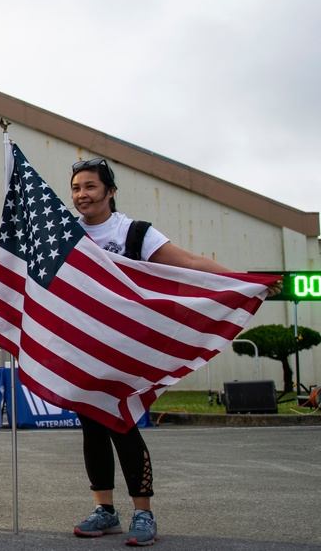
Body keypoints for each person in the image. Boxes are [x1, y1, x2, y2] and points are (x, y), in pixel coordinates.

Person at [67, 157, 282, 546]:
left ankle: (144, 514)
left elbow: (188, 264)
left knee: (124, 424)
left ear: (110, 191)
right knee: (92, 428)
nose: (82, 195)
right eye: (77, 188)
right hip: (85, 350)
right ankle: (105, 511)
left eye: (90, 187)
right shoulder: (64, 235)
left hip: (129, 352)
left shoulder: (134, 233)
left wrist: (242, 281)